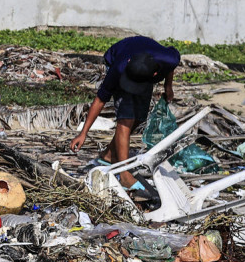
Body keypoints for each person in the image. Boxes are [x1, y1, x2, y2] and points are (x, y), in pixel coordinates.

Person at [70, 36, 181, 166]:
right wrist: (83, 133)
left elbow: (171, 66)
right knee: (126, 118)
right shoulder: (118, 70)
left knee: (139, 116)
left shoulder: (169, 59)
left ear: (154, 74)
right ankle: (123, 171)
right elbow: (100, 99)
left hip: (144, 63)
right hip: (121, 59)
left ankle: (109, 155)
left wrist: (168, 86)